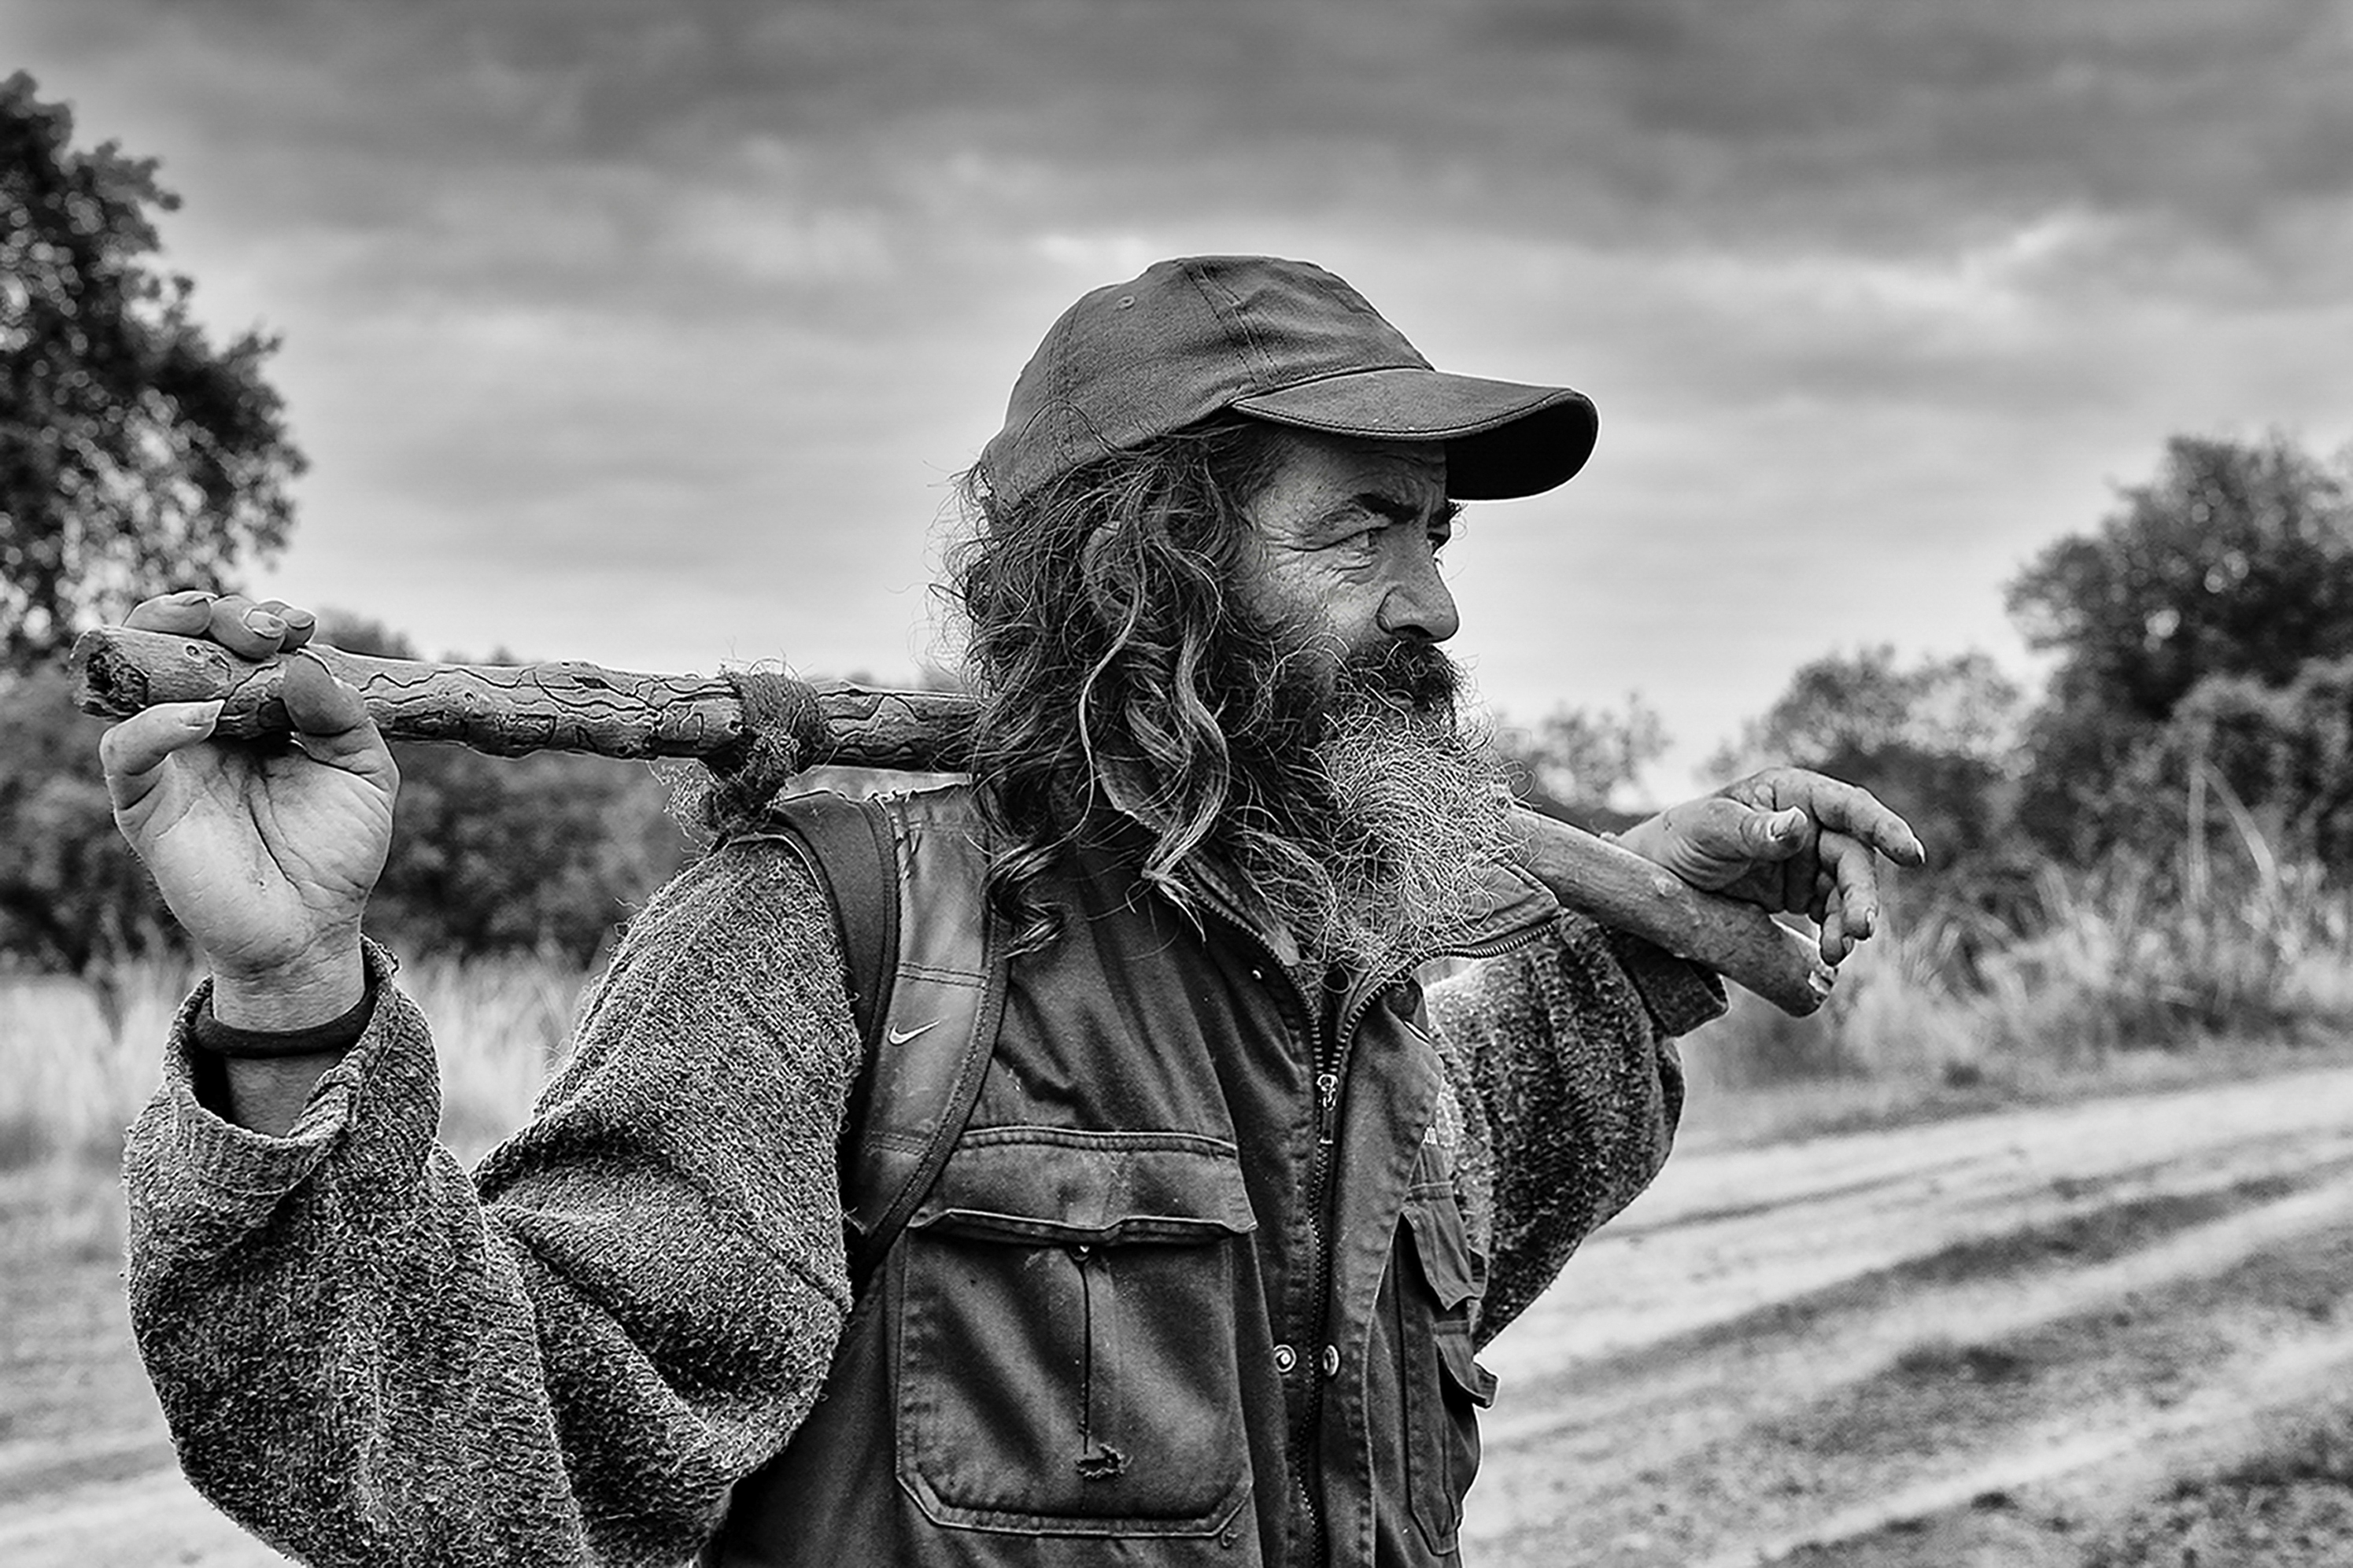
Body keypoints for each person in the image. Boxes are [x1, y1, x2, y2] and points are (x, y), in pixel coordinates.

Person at [102, 255, 1922, 1568]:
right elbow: (505, 1470)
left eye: (1439, 536)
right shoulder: (841, 936)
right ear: (1150, 565)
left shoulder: (1348, 964)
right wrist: (290, 999)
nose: (1436, 605)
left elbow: (1444, 1228)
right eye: (1363, 529)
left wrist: (1637, 938)